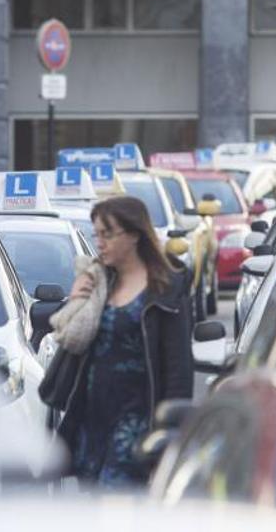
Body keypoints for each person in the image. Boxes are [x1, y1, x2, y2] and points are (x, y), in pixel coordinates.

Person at [57, 195, 193, 488]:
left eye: (108, 234)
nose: (100, 243)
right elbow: (69, 340)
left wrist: (169, 433)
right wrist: (78, 299)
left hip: (137, 425)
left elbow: (179, 368)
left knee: (120, 505)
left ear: (133, 235)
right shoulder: (99, 281)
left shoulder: (165, 289)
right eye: (97, 235)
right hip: (92, 422)